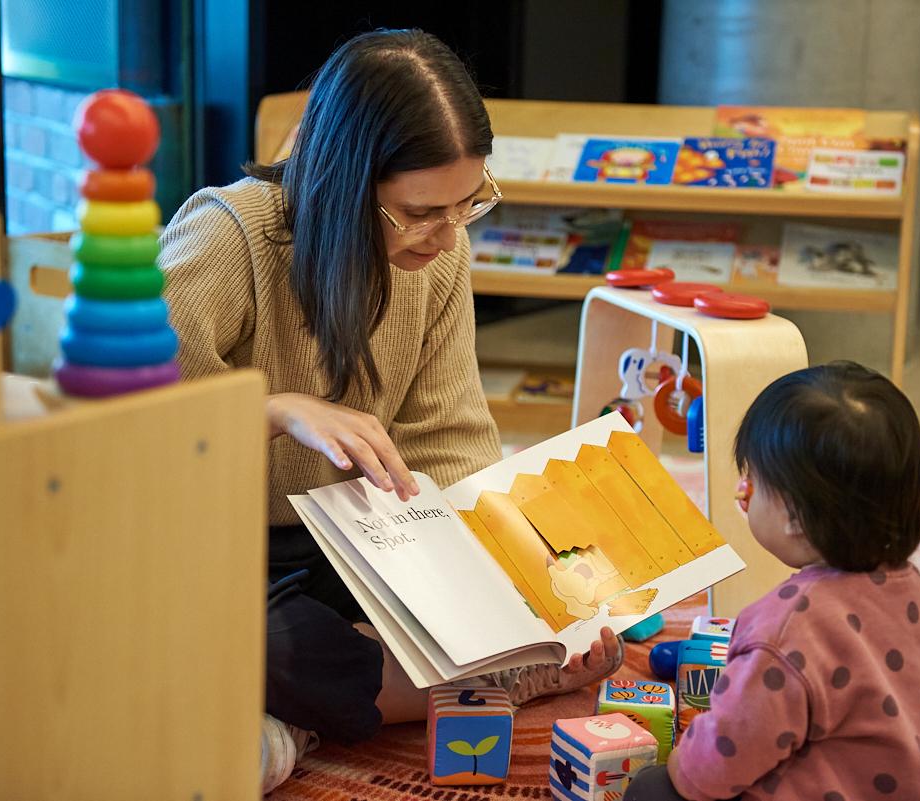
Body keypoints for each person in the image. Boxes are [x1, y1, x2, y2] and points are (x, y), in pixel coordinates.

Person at [157, 28, 623, 795]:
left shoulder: (439, 255)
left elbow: (451, 439)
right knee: (245, 643)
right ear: (344, 182)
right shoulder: (227, 235)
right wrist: (276, 410)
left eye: (469, 203)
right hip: (214, 547)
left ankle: (447, 671)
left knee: (498, 598)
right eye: (420, 211)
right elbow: (132, 434)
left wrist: (506, 565)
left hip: (351, 540)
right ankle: (470, 682)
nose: (446, 235)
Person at [625, 361, 920, 801]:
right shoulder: (913, 590)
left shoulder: (785, 628)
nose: (742, 492)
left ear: (793, 516)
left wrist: (678, 762)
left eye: (750, 482)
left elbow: (711, 769)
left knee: (653, 788)